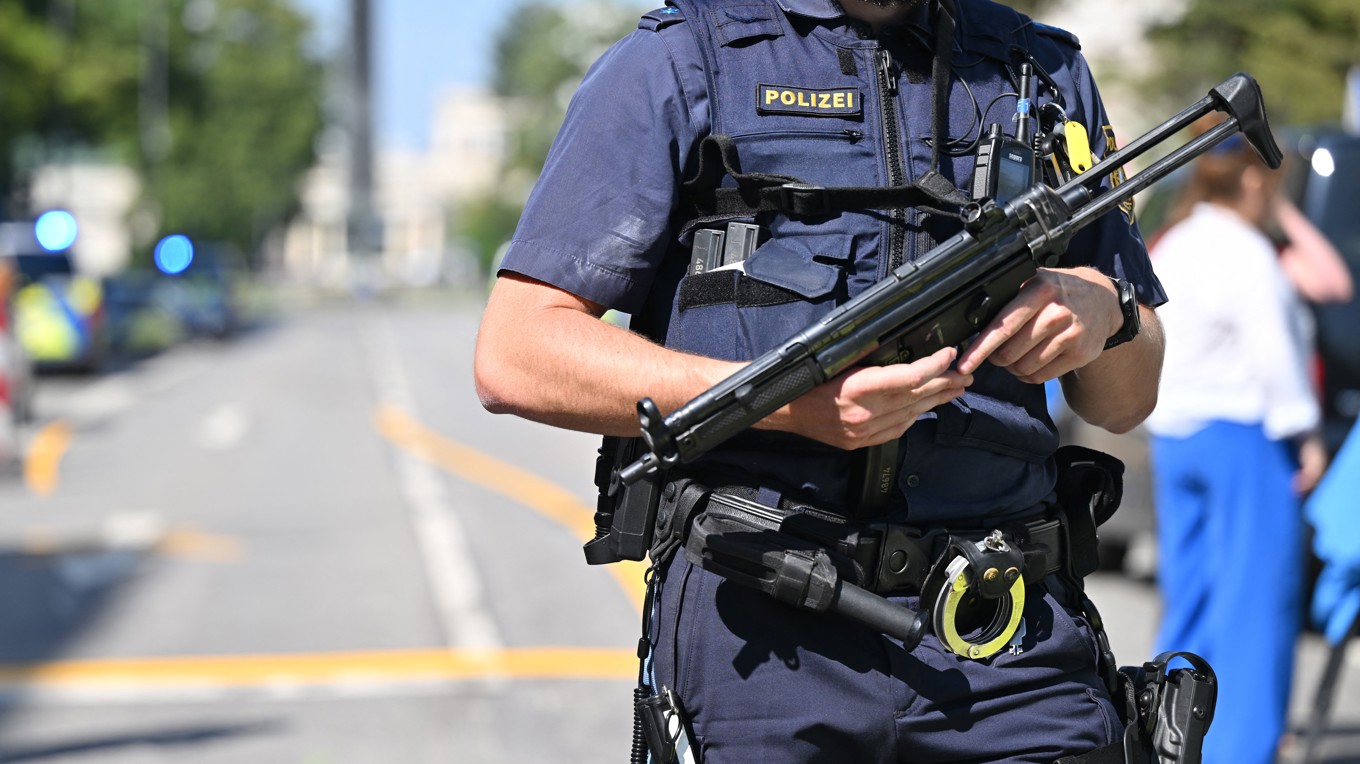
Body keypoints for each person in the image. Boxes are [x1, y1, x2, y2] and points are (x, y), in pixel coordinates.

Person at [475, 0, 1166, 761]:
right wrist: (787, 408)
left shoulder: (1043, 70)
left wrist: (1107, 310)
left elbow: (1126, 401)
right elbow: (518, 350)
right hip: (764, 643)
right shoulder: (685, 60)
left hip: (1008, 641)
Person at [1144, 123, 1324, 764]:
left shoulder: (1176, 244)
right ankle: (1242, 750)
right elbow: (1277, 357)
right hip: (1241, 436)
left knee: (1189, 598)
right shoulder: (1246, 252)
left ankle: (1167, 739)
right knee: (1254, 605)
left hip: (1174, 434)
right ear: (1253, 177)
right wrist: (1305, 436)